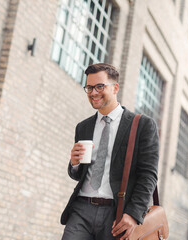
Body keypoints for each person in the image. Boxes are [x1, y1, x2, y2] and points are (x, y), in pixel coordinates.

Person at [60, 63, 159, 240]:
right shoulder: (83, 127)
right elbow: (79, 174)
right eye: (89, 87)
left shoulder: (143, 125)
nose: (93, 92)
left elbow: (148, 175)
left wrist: (133, 214)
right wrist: (74, 164)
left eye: (99, 86)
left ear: (115, 88)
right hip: (81, 208)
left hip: (117, 213)